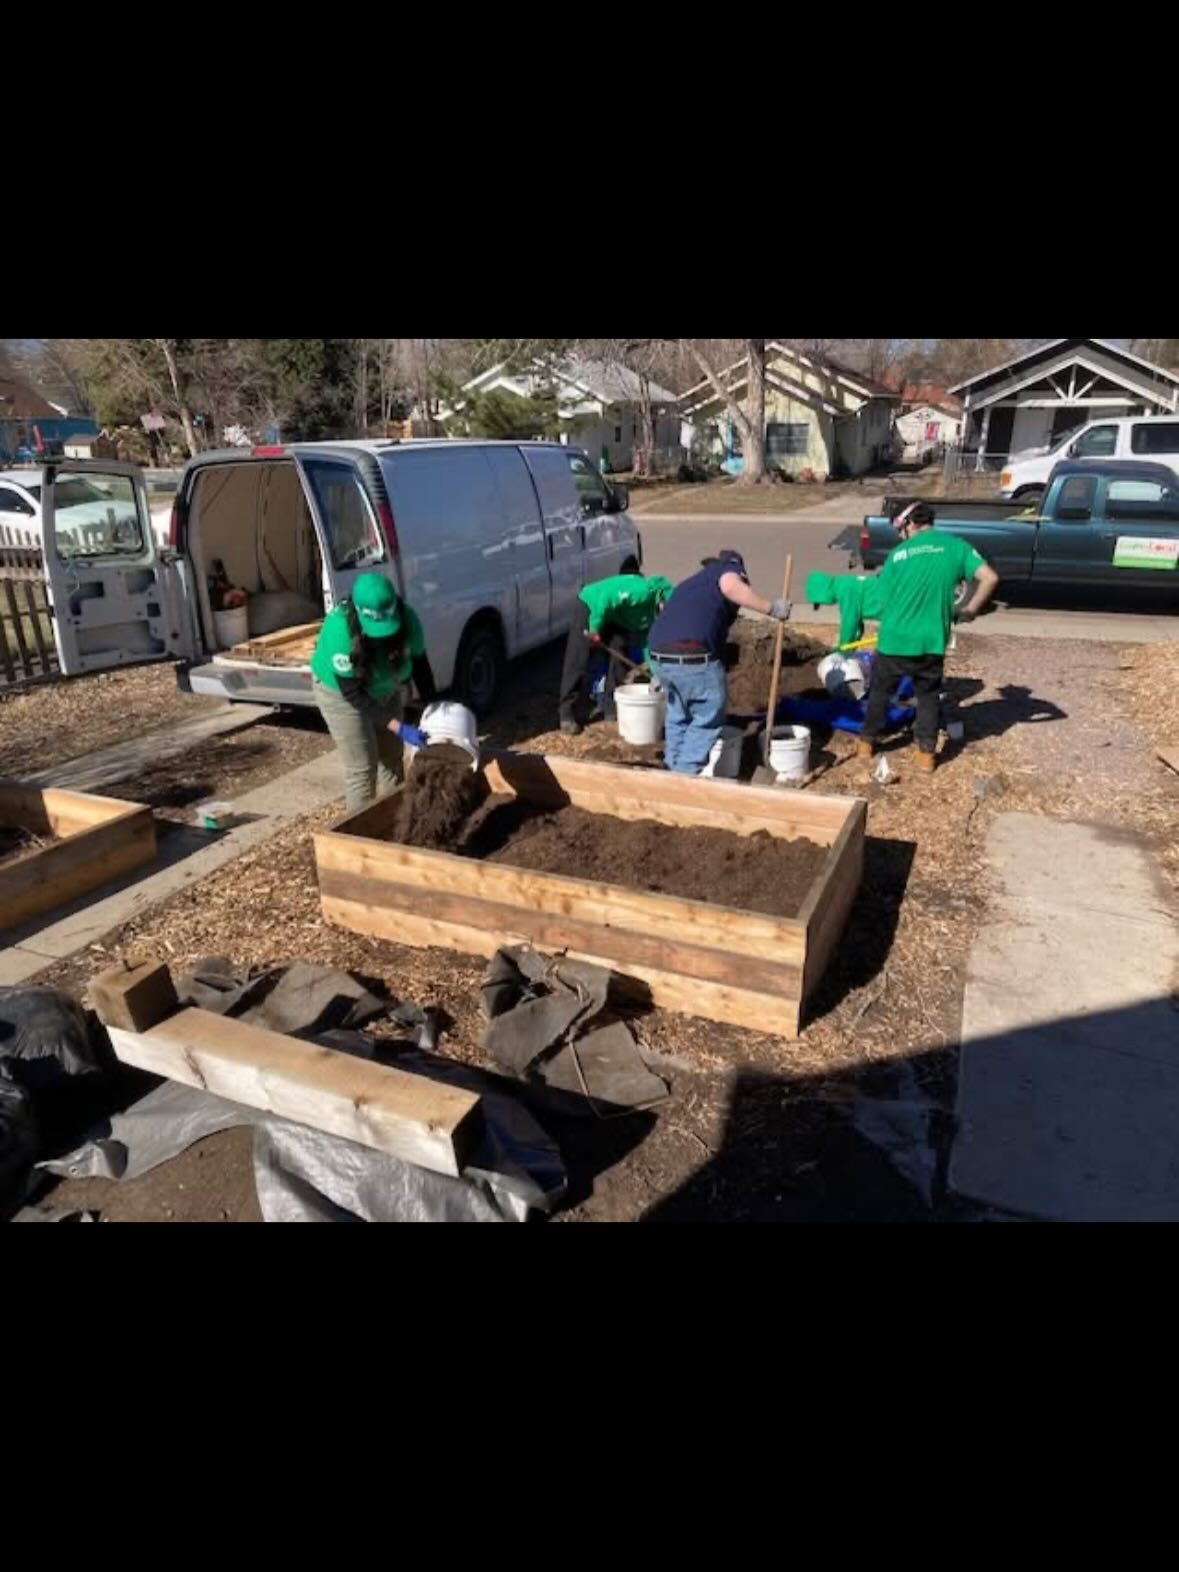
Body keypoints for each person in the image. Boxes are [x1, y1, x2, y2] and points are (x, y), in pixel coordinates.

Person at [858, 503, 998, 772]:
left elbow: (881, 600)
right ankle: (926, 756)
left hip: (894, 639)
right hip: (930, 641)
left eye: (900, 529)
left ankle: (866, 744)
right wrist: (970, 610)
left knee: (880, 693)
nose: (900, 535)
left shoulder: (897, 555)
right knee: (928, 697)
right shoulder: (956, 547)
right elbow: (989, 578)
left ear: (910, 523)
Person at [647, 549, 792, 775]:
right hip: (692, 654)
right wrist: (771, 608)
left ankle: (671, 765)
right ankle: (684, 774)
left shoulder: (690, 585)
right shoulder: (728, 570)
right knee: (709, 713)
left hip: (659, 654)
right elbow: (730, 586)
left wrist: (663, 671)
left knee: (679, 713)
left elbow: (670, 618)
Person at [310, 571, 437, 811]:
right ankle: (360, 830)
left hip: (385, 688)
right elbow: (353, 694)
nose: (384, 635)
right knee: (362, 767)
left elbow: (421, 666)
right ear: (358, 613)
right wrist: (399, 727)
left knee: (392, 757)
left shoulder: (408, 618)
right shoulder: (339, 631)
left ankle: (395, 821)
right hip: (341, 695)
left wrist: (434, 710)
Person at [559, 566, 675, 734]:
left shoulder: (651, 614)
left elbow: (646, 643)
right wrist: (594, 628)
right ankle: (566, 713)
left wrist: (655, 671)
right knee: (579, 659)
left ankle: (611, 707)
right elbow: (606, 599)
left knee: (620, 656)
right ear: (662, 598)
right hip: (592, 604)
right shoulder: (641, 591)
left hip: (616, 616)